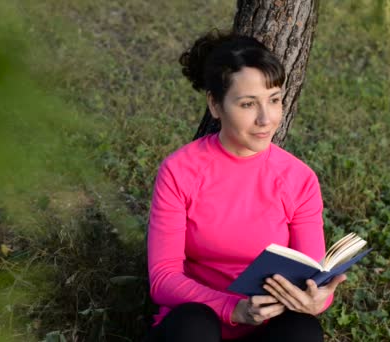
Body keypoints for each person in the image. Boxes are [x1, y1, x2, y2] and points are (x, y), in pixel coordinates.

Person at [145, 31, 347, 342]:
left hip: (265, 325)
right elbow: (163, 278)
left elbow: (312, 273)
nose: (266, 119)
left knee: (303, 331)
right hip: (199, 321)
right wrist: (234, 309)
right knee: (194, 328)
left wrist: (319, 299)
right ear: (215, 105)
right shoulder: (179, 171)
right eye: (248, 104)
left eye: (275, 100)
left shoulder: (299, 179)